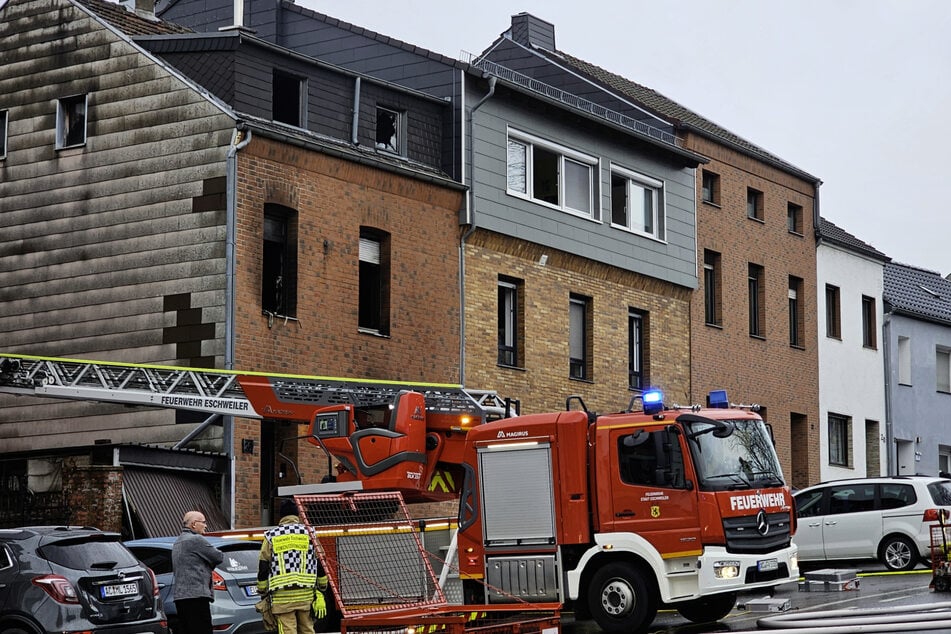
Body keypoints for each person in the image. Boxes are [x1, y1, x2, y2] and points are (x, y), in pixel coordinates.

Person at [257, 500, 329, 634]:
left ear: (281, 516)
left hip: (282, 597)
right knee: (307, 629)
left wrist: (262, 590)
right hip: (305, 595)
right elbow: (320, 561)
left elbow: (263, 565)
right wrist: (322, 589)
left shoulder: (272, 535)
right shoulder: (309, 533)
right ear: (297, 515)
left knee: (287, 630)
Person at [171, 510, 224, 634]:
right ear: (194, 524)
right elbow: (218, 557)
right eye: (204, 522)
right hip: (196, 597)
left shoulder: (178, 542)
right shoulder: (196, 540)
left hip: (181, 597)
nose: (206, 525)